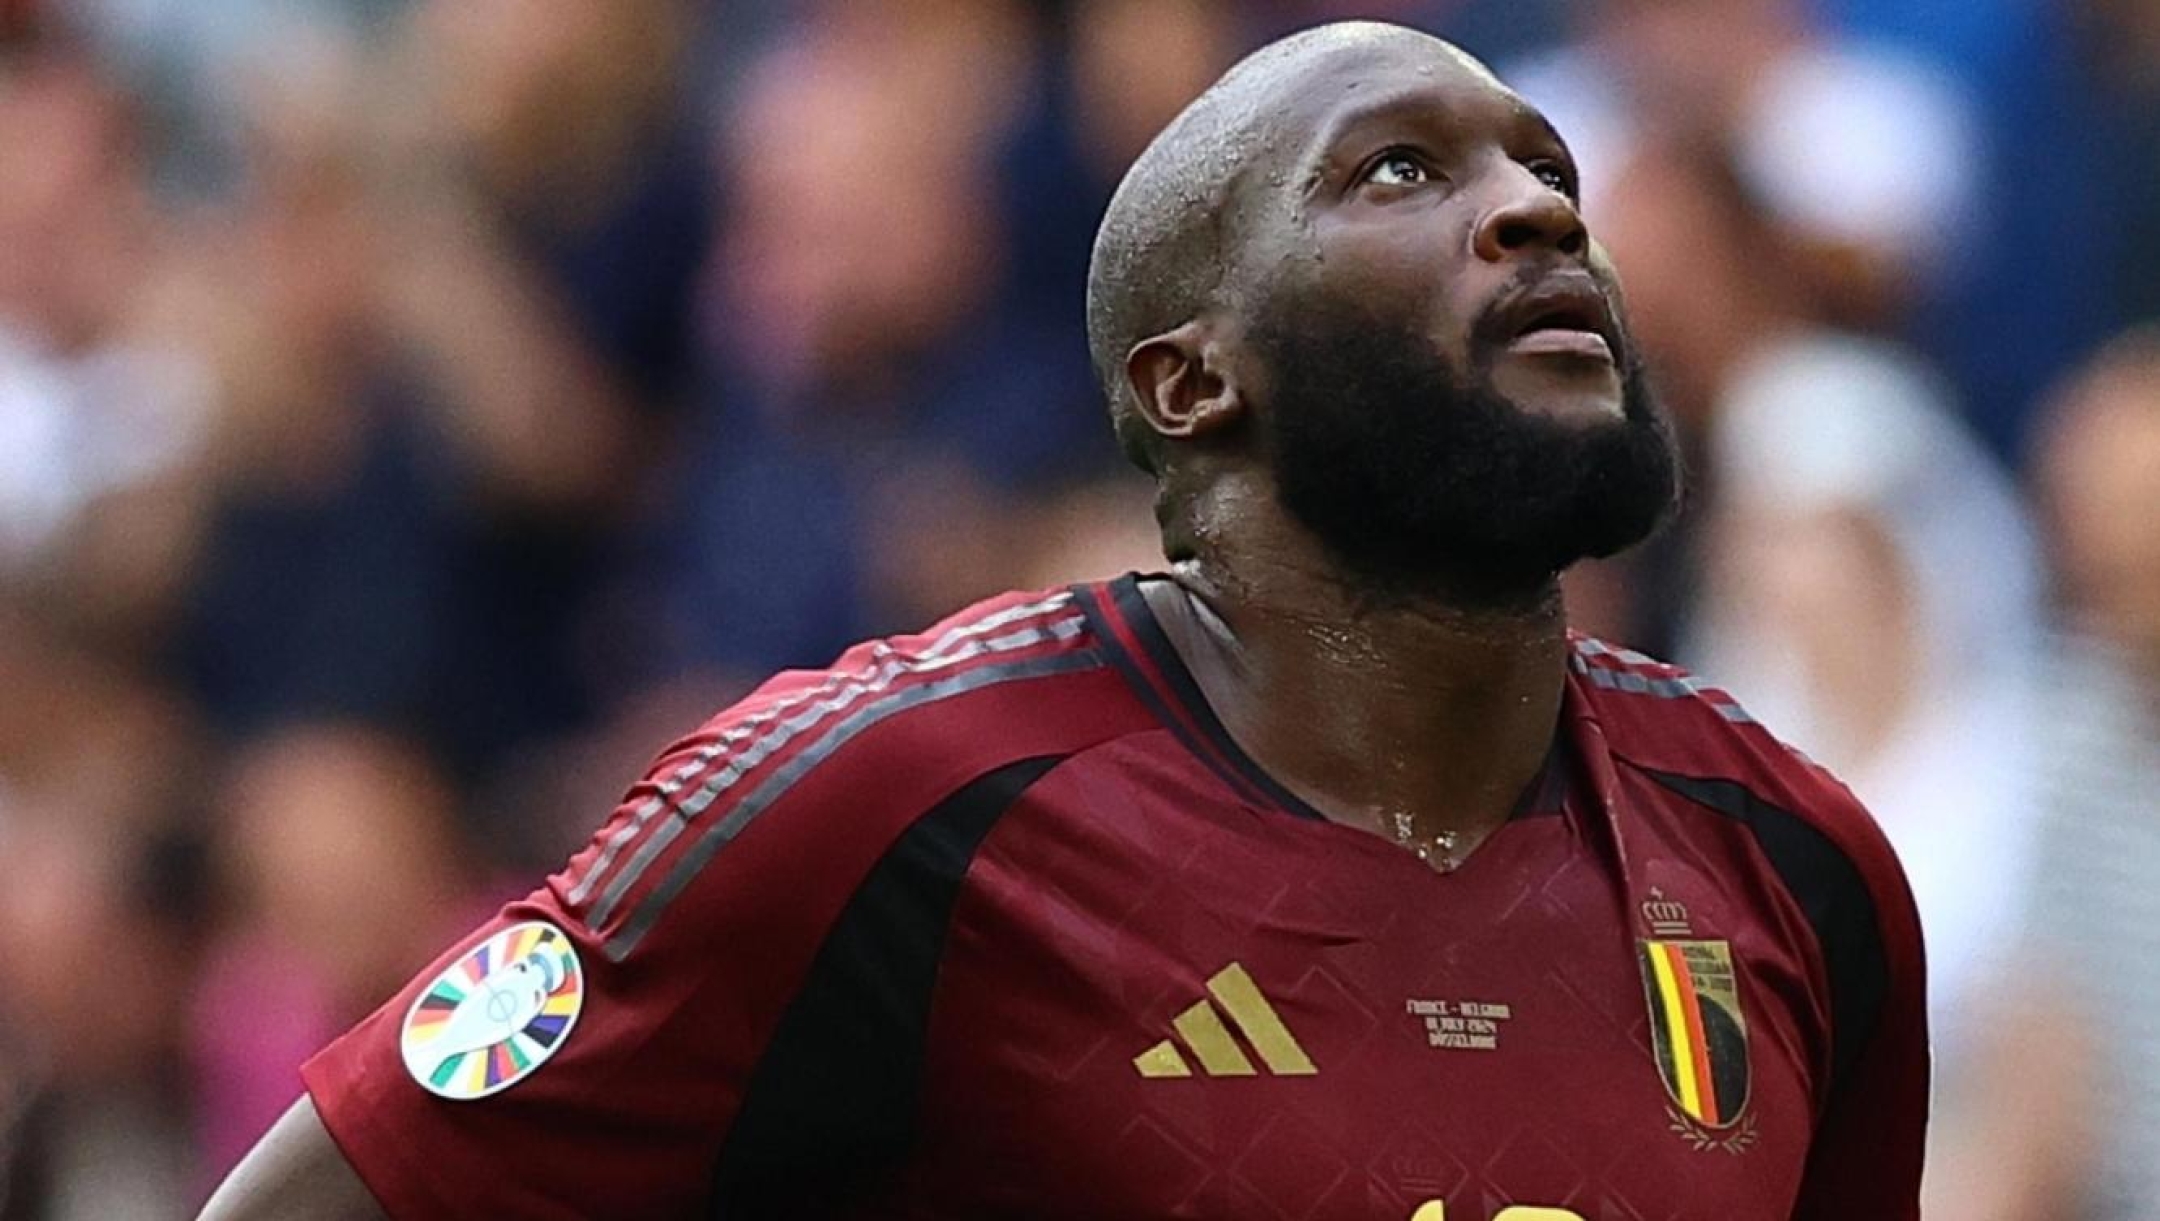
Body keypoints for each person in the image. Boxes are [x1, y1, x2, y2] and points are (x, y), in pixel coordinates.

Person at [199, 21, 1926, 1221]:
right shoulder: (876, 804)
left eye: (1548, 168)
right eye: (1401, 175)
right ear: (1192, 384)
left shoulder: (1801, 868)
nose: (1542, 207)